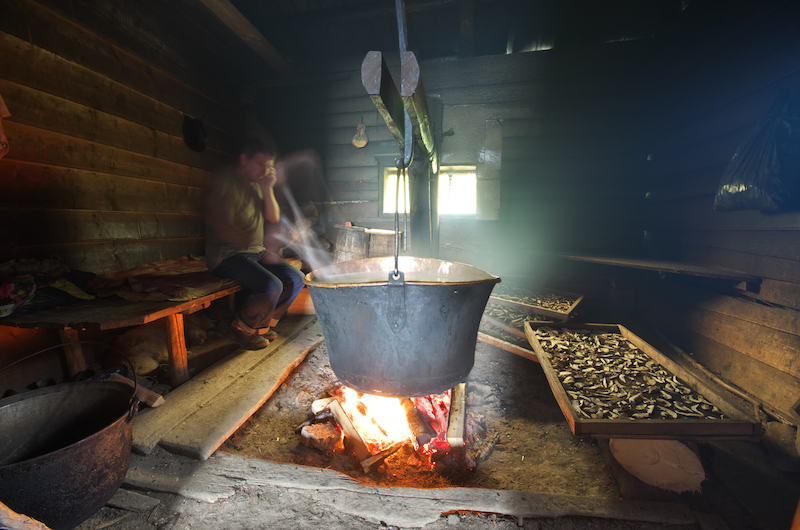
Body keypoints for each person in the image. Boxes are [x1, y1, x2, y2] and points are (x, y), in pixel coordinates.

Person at [204, 138, 304, 349]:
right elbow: (223, 228)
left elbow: (273, 217)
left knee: (296, 279)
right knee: (270, 285)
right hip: (227, 255)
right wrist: (267, 246)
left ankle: (261, 327)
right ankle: (242, 329)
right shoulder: (225, 184)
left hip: (255, 252)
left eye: (269, 165)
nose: (265, 170)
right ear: (243, 160)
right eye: (261, 164)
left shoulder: (258, 184)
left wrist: (268, 189)